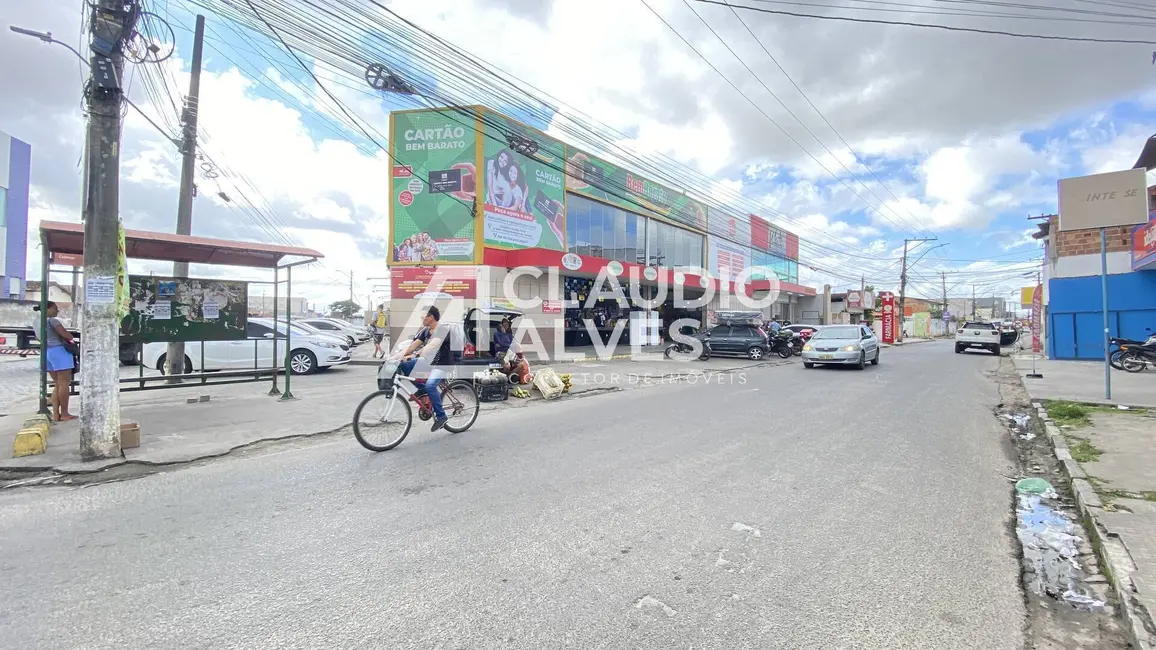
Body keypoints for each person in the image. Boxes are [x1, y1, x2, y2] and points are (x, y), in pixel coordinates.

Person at [396, 306, 451, 431]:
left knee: (431, 385)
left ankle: (441, 416)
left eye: (423, 317)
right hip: (428, 362)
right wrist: (395, 357)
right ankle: (422, 389)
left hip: (442, 364)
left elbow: (431, 346)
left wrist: (414, 355)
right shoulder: (426, 330)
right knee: (405, 365)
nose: (421, 320)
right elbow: (412, 346)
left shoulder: (443, 329)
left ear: (431, 317)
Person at [33, 301, 77, 422]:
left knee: (57, 384)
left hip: (46, 352)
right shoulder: (52, 321)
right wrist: (68, 336)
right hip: (59, 352)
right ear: (47, 309)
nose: (57, 311)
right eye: (55, 309)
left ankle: (56, 414)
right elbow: (67, 335)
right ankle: (65, 413)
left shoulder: (36, 321)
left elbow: (38, 337)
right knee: (64, 384)